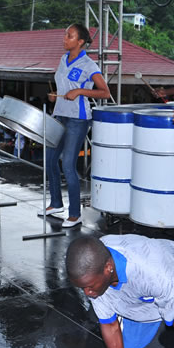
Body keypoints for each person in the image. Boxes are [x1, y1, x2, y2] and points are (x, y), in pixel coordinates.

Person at [45, 23, 111, 228]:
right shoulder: (63, 59)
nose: (65, 38)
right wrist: (57, 96)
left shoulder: (89, 65)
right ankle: (56, 203)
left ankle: (75, 214)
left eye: (69, 36)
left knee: (67, 164)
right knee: (50, 160)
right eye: (65, 34)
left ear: (80, 42)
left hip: (78, 119)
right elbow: (64, 86)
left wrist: (80, 92)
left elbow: (105, 92)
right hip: (59, 115)